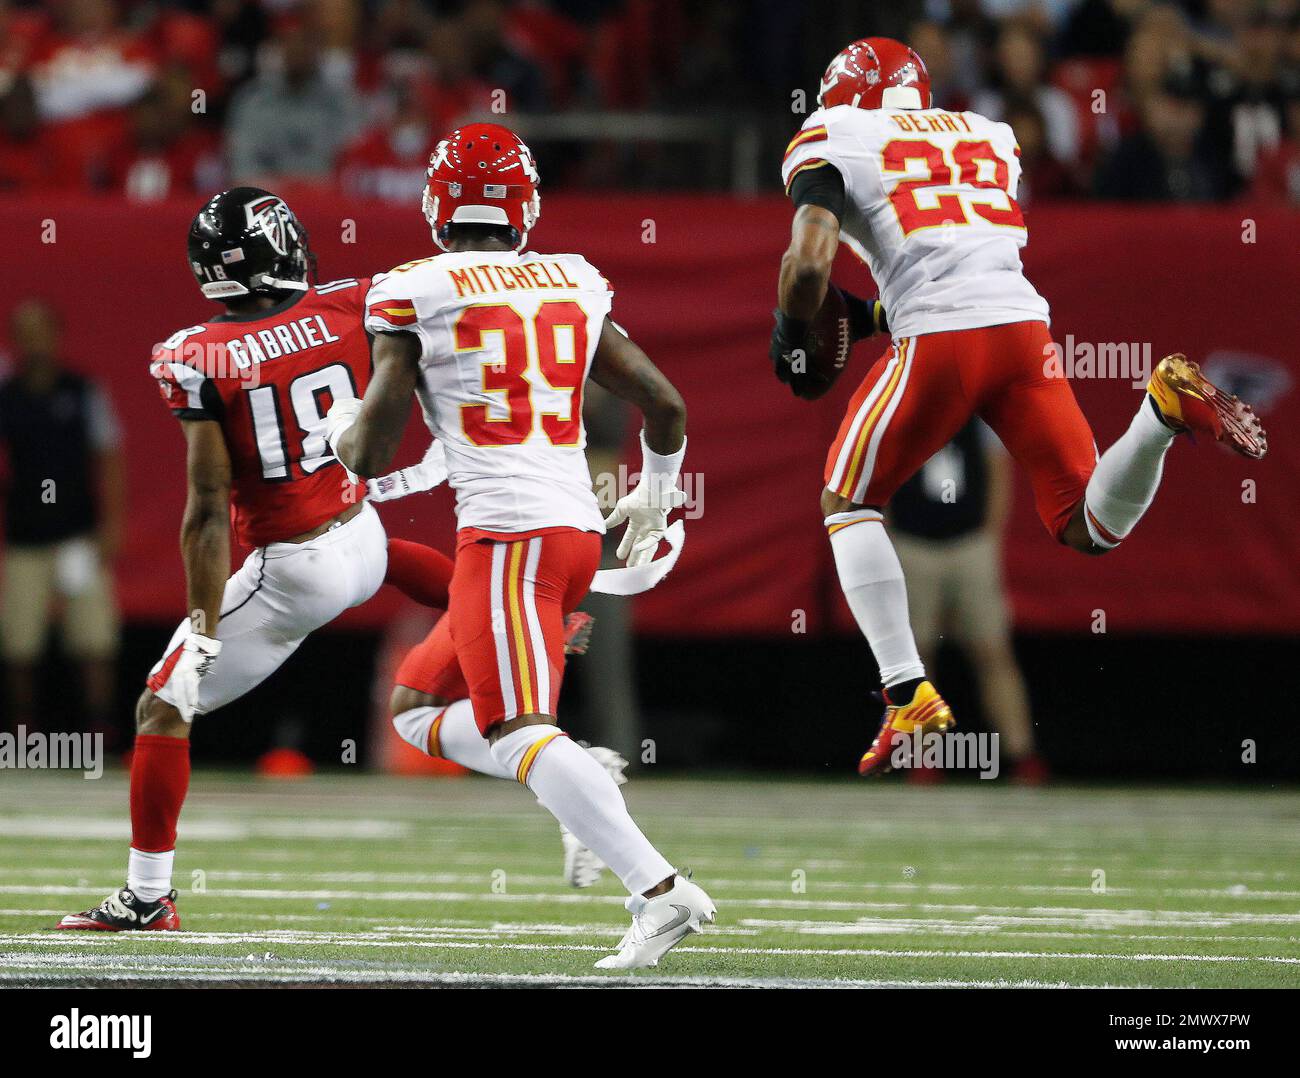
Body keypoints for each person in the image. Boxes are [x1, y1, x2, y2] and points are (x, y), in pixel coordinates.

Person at [770, 37, 1267, 777]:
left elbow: (809, 260)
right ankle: (1159, 412)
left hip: (941, 336)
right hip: (1021, 329)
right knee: (1088, 524)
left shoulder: (834, 133)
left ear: (844, 92)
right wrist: (871, 315)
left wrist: (788, 327)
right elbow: (952, 249)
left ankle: (905, 688)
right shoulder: (988, 133)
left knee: (847, 501)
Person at [328, 122, 715, 970]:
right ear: (524, 205)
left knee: (516, 731)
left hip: (509, 542)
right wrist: (651, 500)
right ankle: (583, 779)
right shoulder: (570, 280)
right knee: (418, 710)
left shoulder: (413, 289)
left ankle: (660, 891)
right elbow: (669, 405)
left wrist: (337, 434)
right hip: (572, 535)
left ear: (437, 204)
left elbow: (371, 447)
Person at [55, 188, 459, 933]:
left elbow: (207, 510)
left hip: (293, 568)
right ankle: (508, 611)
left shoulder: (196, 354)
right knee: (386, 554)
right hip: (361, 535)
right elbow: (448, 284)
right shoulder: (351, 302)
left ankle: (147, 897)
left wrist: (202, 627)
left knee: (162, 704)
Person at [889, 421, 1047, 783]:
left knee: (992, 650)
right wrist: (891, 535)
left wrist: (988, 535)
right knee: (914, 657)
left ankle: (1021, 755)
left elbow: (997, 469)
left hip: (969, 542)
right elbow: (879, 472)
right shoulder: (898, 405)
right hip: (913, 544)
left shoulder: (978, 409)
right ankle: (922, 758)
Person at [0, 299, 124, 737]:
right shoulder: (6, 394)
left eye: (40, 331)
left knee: (93, 639)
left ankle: (99, 731)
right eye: (24, 332)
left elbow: (107, 456)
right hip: (24, 535)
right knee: (19, 641)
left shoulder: (82, 391)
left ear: (55, 335)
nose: (33, 341)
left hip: (78, 535)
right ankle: (21, 732)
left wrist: (111, 524)